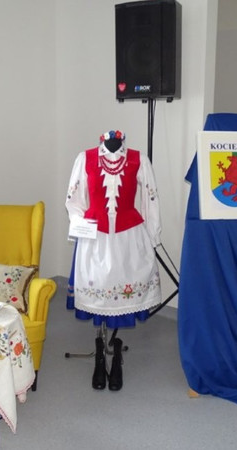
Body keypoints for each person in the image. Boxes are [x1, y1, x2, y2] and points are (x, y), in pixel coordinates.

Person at [65, 130, 162, 391]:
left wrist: (153, 234)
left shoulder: (139, 159)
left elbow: (151, 199)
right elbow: (74, 200)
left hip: (129, 238)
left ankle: (115, 352)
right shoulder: (85, 158)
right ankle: (100, 350)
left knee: (124, 285)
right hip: (95, 238)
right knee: (98, 287)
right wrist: (79, 224)